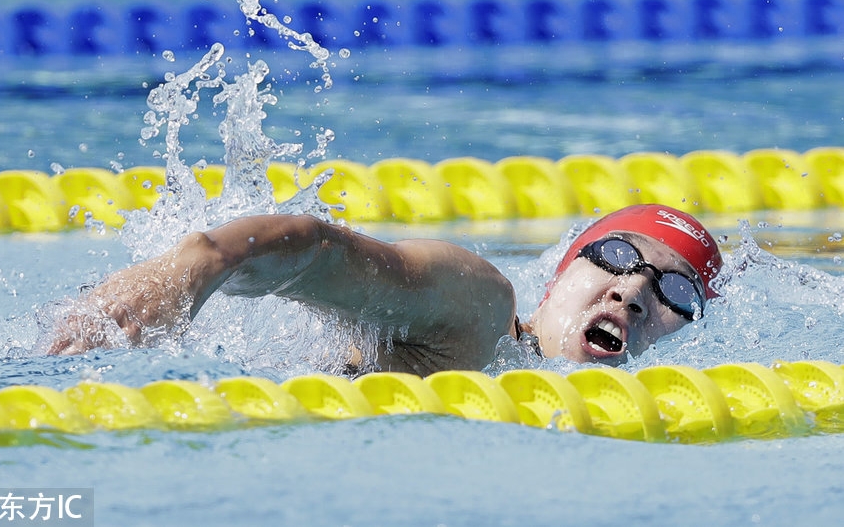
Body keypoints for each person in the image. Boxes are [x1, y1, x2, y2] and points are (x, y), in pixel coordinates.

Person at [47, 203, 723, 376]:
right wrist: (190, 268)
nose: (632, 292)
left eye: (676, 293)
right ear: (559, 274)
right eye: (614, 256)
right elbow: (316, 249)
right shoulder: (478, 308)